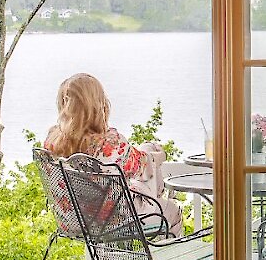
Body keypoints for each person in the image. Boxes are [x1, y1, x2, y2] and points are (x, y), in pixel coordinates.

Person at [44, 73, 186, 237]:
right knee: (172, 210)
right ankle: (166, 255)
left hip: (75, 222)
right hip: (117, 222)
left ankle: (156, 201)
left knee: (146, 154)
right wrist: (159, 156)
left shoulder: (52, 141)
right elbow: (144, 168)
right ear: (99, 104)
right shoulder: (110, 144)